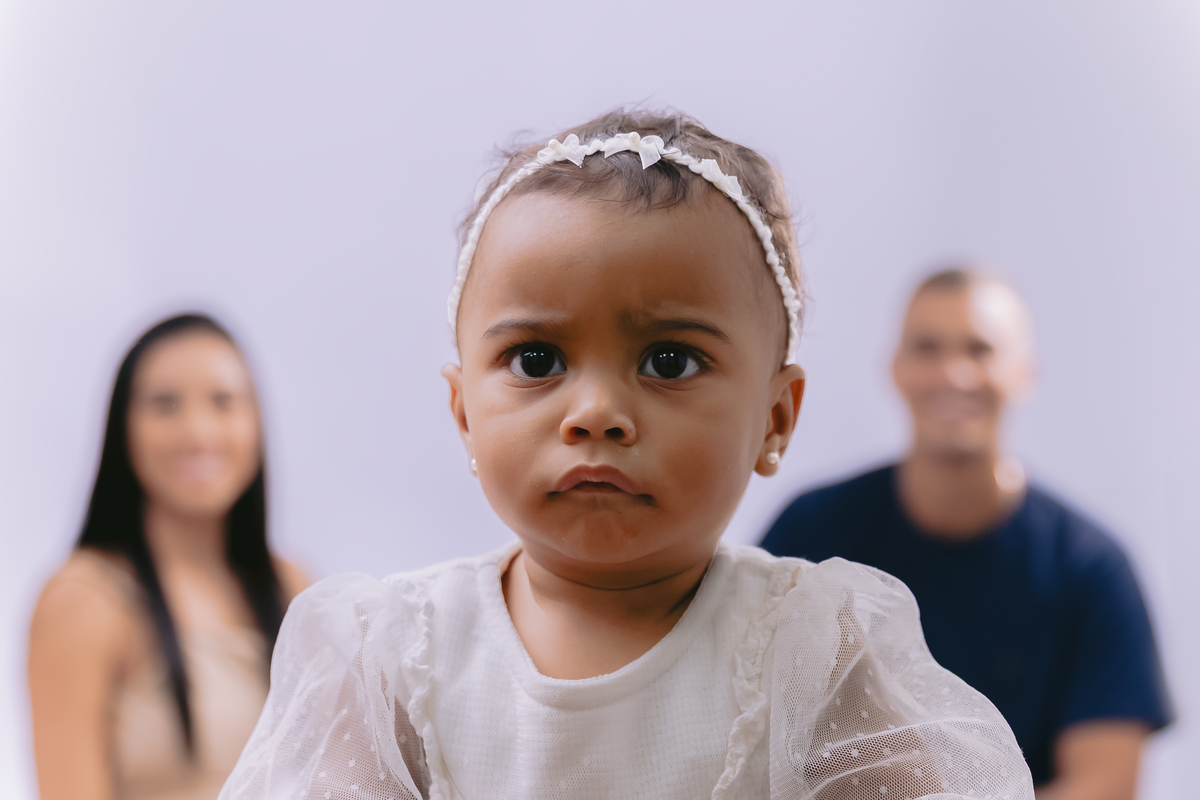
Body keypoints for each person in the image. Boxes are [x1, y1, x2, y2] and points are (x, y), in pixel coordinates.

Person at [218, 110, 1034, 800]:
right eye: (537, 359)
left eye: (668, 361)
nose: (596, 414)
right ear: (464, 413)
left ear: (774, 419)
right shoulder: (395, 654)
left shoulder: (813, 649)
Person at [761, 269, 1172, 799]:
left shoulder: (1093, 572)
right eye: (928, 348)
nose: (954, 374)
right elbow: (741, 710)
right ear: (897, 369)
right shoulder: (813, 530)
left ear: (1024, 371)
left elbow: (1105, 784)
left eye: (980, 350)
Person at [29, 314, 309, 800]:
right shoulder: (85, 601)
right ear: (123, 428)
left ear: (256, 422)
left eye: (223, 402)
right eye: (165, 405)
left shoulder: (292, 587)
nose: (198, 431)